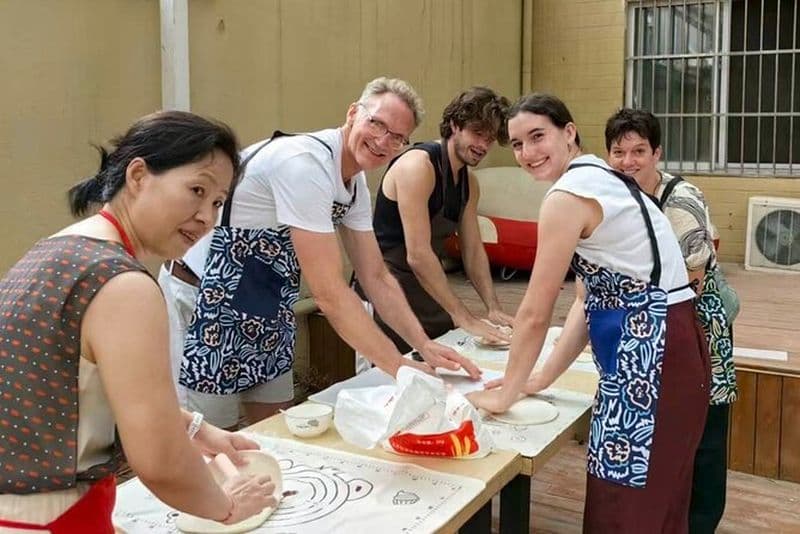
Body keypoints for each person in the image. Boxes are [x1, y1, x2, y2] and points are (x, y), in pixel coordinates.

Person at [0, 111, 276, 531]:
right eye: (196, 190)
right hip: (50, 518)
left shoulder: (56, 249)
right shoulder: (123, 284)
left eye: (218, 202)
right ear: (138, 175)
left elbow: (75, 386)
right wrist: (228, 506)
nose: (206, 217)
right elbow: (162, 463)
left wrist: (198, 428)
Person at [161, 77, 480, 430]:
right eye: (376, 124)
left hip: (267, 301)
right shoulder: (305, 164)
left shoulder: (353, 182)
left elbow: (375, 275)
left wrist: (423, 345)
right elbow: (329, 293)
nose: (382, 141)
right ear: (353, 113)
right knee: (207, 435)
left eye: (397, 137)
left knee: (276, 427)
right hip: (208, 299)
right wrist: (398, 366)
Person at [467, 94, 710, 533]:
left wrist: (505, 395)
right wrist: (536, 379)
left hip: (651, 359)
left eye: (538, 136)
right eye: (517, 144)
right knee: (654, 503)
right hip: (670, 348)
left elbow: (535, 313)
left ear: (569, 132)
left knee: (628, 506)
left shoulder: (568, 195)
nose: (527, 153)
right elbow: (587, 299)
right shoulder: (602, 174)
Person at [605, 108, 737, 534]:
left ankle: (700, 524)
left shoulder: (681, 201)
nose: (628, 161)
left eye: (639, 150)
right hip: (650, 324)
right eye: (619, 151)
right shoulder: (615, 198)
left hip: (698, 323)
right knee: (667, 430)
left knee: (706, 433)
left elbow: (691, 283)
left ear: (657, 153)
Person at [357, 87, 514, 354]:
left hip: (425, 291)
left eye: (489, 139)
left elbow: (473, 250)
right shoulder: (417, 167)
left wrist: (493, 307)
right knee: (390, 378)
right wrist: (464, 317)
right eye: (477, 134)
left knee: (446, 363)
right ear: (455, 125)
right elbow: (417, 255)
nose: (482, 146)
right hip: (384, 289)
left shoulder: (469, 183)